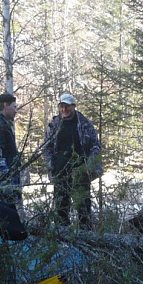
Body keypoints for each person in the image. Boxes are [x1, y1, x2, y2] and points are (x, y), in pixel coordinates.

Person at [43, 93, 101, 227]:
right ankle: (63, 234)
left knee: (83, 205)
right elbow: (46, 147)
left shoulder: (84, 123)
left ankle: (85, 235)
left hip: (81, 170)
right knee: (61, 205)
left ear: (73, 106)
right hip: (60, 170)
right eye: (62, 106)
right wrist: (51, 164)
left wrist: (90, 165)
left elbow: (95, 145)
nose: (64, 110)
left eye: (67, 107)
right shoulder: (54, 124)